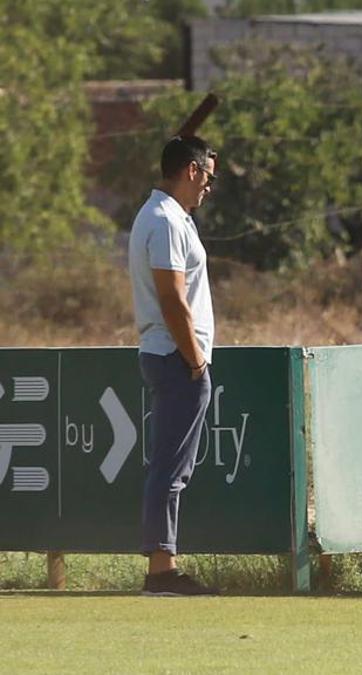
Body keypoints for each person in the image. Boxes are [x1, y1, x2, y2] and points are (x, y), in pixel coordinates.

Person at [128, 135, 219, 596]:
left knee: (170, 463)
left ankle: (163, 564)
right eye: (207, 176)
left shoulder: (169, 216)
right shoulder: (164, 220)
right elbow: (171, 298)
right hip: (175, 356)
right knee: (170, 465)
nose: (209, 186)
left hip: (169, 354)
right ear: (190, 170)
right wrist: (196, 360)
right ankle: (162, 570)